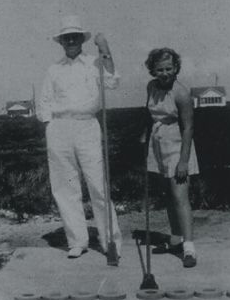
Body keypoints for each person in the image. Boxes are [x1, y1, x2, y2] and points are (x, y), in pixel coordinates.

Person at [37, 16, 122, 259]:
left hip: (87, 125)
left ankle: (110, 242)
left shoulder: (95, 62)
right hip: (60, 128)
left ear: (82, 40)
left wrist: (105, 49)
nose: (71, 41)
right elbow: (44, 101)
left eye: (75, 37)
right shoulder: (54, 69)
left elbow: (113, 82)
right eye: (67, 38)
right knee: (65, 187)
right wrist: (51, 125)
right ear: (61, 42)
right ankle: (77, 241)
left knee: (98, 184)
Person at [142, 47, 199, 267]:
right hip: (158, 144)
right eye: (160, 69)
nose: (165, 73)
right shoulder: (151, 86)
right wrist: (144, 135)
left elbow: (189, 128)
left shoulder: (181, 92)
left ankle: (189, 249)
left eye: (169, 68)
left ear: (176, 68)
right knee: (168, 194)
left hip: (178, 145)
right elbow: (149, 113)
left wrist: (183, 161)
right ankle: (176, 240)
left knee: (180, 196)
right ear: (153, 70)